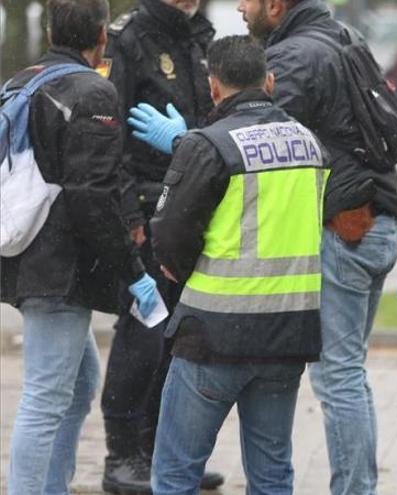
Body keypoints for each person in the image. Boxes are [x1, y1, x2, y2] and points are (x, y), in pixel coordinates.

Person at [127, 34, 329, 493]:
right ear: (271, 81)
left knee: (176, 472)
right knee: (273, 471)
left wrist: (174, 267)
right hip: (288, 332)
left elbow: (170, 231)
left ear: (214, 86)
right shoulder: (309, 145)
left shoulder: (208, 145)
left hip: (214, 334)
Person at [238, 0, 397, 493]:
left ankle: (355, 489)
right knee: (349, 372)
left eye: (247, 0)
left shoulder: (292, 56)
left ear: (275, 5)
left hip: (342, 229)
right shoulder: (344, 39)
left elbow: (254, 136)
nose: (240, 8)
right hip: (375, 220)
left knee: (337, 379)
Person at [0, 0, 159, 492]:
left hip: (25, 257)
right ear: (101, 35)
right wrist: (134, 272)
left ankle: (52, 485)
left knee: (80, 385)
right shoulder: (93, 91)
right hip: (60, 270)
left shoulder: (17, 83)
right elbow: (93, 197)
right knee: (47, 397)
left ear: (50, 29)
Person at [99, 0, 222, 491]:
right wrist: (128, 214)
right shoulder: (127, 38)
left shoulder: (201, 37)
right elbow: (108, 138)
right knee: (142, 333)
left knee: (183, 336)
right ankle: (122, 454)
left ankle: (162, 452)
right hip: (146, 209)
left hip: (192, 206)